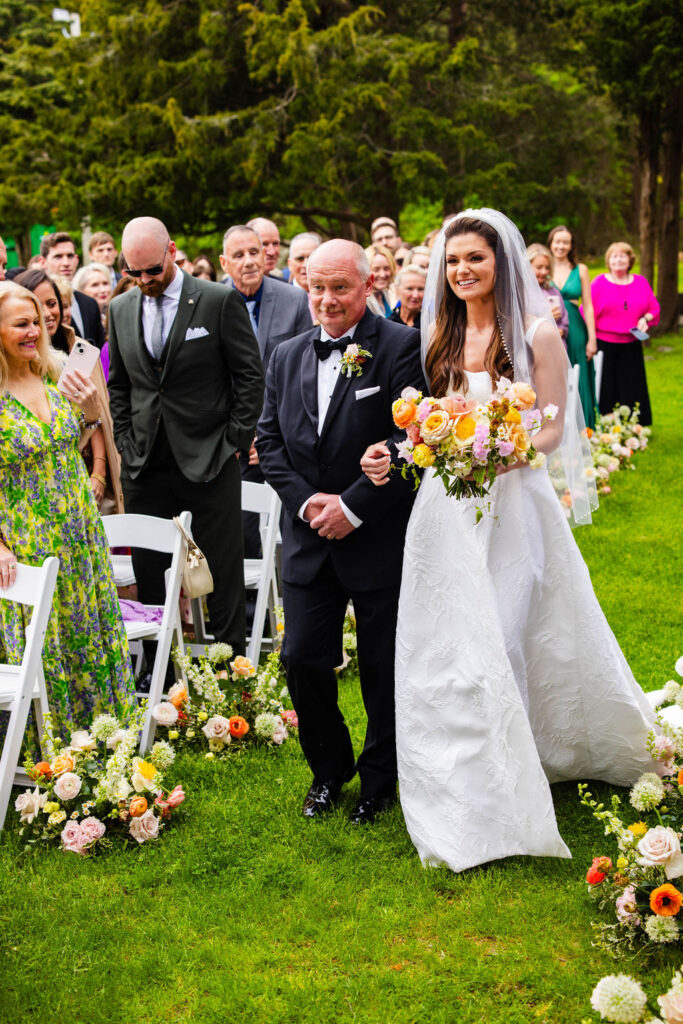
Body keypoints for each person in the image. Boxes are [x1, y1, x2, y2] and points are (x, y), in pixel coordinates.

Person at [360, 210, 656, 873]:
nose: (462, 271)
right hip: (446, 505)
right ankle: (469, 766)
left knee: (508, 626)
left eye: (475, 259)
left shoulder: (536, 332)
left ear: (501, 262)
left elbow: (552, 430)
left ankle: (526, 754)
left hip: (515, 502)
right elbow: (427, 419)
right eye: (453, 260)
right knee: (451, 635)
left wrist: (503, 450)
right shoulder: (436, 330)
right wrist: (409, 445)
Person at [257, 239, 426, 824]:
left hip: (377, 534)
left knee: (382, 666)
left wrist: (352, 507)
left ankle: (381, 782)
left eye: (340, 288)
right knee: (302, 657)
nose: (326, 300)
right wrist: (309, 507)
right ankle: (329, 772)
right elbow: (270, 444)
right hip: (307, 538)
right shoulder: (284, 355)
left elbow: (414, 442)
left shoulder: (402, 347)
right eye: (316, 288)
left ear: (367, 286)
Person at [108, 216, 264, 654]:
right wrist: (125, 438)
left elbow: (250, 377)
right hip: (144, 461)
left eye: (152, 271)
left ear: (171, 251)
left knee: (222, 571)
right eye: (132, 272)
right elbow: (119, 384)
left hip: (210, 457)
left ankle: (231, 667)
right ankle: (161, 669)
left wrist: (234, 441)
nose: (144, 281)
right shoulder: (120, 309)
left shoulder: (216, 300)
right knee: (150, 567)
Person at [0, 282, 135, 736]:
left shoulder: (55, 371)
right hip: (27, 545)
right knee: (48, 646)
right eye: (22, 324)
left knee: (90, 638)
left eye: (36, 321)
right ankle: (55, 762)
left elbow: (84, 432)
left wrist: (92, 407)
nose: (35, 331)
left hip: (81, 536)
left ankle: (107, 741)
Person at [16, 268, 123, 514]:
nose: (46, 313)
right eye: (36, 304)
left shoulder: (80, 350)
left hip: (92, 474)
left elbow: (98, 417)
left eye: (52, 303)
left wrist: (99, 471)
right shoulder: (22, 362)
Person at [588, 242, 659, 425]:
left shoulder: (640, 282)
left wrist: (645, 318)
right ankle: (606, 423)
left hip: (631, 343)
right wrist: (590, 340)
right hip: (604, 343)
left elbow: (654, 308)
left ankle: (634, 423)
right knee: (607, 386)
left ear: (630, 260)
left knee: (633, 385)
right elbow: (586, 311)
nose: (618, 260)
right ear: (608, 261)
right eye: (614, 256)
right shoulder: (598, 283)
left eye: (622, 256)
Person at [547, 225, 597, 428]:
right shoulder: (542, 267)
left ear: (571, 245)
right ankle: (554, 424)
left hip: (575, 325)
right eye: (557, 241)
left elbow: (589, 305)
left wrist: (592, 339)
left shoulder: (581, 269)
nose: (561, 246)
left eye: (565, 242)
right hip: (549, 324)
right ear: (550, 243)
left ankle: (583, 425)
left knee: (578, 372)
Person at [37, 232, 105, 350]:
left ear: (76, 259)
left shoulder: (90, 303)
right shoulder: (34, 301)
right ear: (43, 262)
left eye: (70, 256)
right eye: (58, 257)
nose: (66, 263)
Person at [526, 243, 569, 343]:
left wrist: (562, 331)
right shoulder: (521, 293)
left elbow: (565, 321)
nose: (544, 271)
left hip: (558, 346)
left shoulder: (553, 291)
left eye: (547, 267)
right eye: (539, 267)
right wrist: (547, 318)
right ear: (527, 265)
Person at [388, 264, 426, 329]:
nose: (415, 295)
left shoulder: (430, 325)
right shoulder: (388, 324)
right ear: (397, 290)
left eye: (420, 289)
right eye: (409, 289)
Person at [365, 244, 397, 317]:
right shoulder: (363, 302)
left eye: (386, 268)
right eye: (376, 270)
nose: (382, 275)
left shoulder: (387, 294)